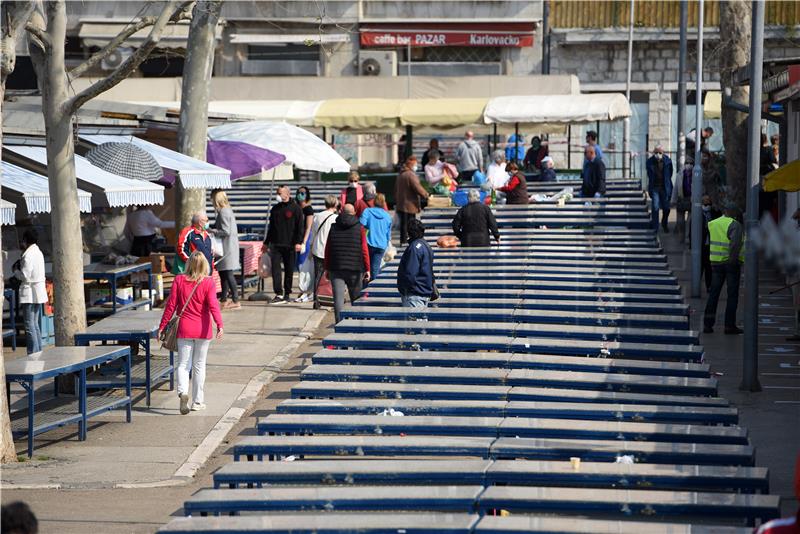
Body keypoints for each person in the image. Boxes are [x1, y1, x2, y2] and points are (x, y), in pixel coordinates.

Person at [159, 251, 223, 415]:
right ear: (205, 265)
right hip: (203, 329)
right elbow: (214, 305)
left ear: (188, 264)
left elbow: (171, 306)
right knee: (199, 366)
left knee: (183, 364)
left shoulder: (179, 280)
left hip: (184, 328)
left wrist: (162, 326)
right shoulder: (209, 283)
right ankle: (197, 402)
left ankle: (183, 392)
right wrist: (219, 324)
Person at [324, 204, 370, 323]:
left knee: (338, 300)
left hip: (336, 267)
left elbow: (328, 248)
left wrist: (327, 268)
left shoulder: (333, 227)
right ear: (354, 213)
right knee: (356, 299)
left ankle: (339, 325)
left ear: (341, 212)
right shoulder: (360, 228)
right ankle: (357, 325)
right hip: (355, 268)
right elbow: (364, 250)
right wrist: (367, 268)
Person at [703, 204, 744, 335]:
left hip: (715, 263)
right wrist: (734, 262)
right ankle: (729, 326)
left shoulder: (712, 223)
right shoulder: (735, 224)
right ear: (735, 213)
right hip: (730, 264)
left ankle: (707, 325)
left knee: (713, 294)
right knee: (732, 295)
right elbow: (735, 245)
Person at [263, 185, 304, 304]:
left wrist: (298, 242)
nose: (278, 195)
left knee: (289, 269)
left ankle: (287, 293)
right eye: (277, 192)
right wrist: (266, 243)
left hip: (290, 245)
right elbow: (271, 228)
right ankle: (278, 293)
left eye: (280, 193)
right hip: (276, 244)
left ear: (287, 194)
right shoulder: (275, 209)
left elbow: (299, 228)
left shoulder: (296, 209)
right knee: (276, 269)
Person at [13, 230, 47, 354]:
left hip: (29, 292)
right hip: (38, 291)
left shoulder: (28, 255)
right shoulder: (38, 252)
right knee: (35, 324)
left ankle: (32, 353)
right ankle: (38, 352)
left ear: (26, 240)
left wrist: (16, 272)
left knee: (29, 325)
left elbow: (25, 276)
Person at [210, 191, 241, 310]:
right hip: (228, 246)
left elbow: (226, 231)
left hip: (227, 247)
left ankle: (235, 299)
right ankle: (223, 298)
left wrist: (213, 231)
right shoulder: (227, 210)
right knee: (223, 273)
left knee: (228, 273)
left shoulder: (223, 212)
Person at [397, 218, 434, 310]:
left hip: (414, 294)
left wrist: (404, 288)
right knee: (420, 322)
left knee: (415, 323)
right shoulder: (425, 245)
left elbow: (410, 273)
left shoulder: (414, 248)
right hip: (422, 291)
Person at [310, 195, 339, 310]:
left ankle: (316, 298)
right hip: (330, 249)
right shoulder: (335, 218)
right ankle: (330, 296)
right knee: (331, 275)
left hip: (317, 248)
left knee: (318, 275)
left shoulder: (317, 216)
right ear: (335, 204)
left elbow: (313, 233)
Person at [394, 155, 429, 245]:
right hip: (410, 204)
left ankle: (403, 241)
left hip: (401, 204)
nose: (416, 166)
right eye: (415, 164)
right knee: (410, 225)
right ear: (411, 165)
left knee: (403, 225)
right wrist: (426, 195)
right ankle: (409, 242)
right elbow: (417, 187)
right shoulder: (410, 175)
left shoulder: (401, 174)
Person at [360, 193, 393, 284]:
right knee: (375, 269)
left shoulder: (367, 211)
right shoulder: (387, 216)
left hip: (368, 243)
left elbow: (361, 225)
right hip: (381, 245)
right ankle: (372, 289)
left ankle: (364, 291)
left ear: (374, 201)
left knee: (365, 268)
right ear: (383, 203)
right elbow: (388, 234)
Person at [645, 145, 674, 233]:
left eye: (660, 152)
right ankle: (655, 227)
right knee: (655, 207)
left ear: (663, 153)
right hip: (655, 188)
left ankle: (664, 223)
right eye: (656, 152)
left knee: (666, 208)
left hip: (665, 188)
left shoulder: (668, 161)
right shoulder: (650, 162)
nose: (658, 154)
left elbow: (670, 173)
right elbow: (649, 175)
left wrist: (668, 184)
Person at [294, 186, 315, 303]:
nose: (300, 195)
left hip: (304, 240)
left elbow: (308, 227)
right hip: (296, 240)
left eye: (302, 193)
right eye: (298, 193)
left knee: (303, 266)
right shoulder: (296, 208)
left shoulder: (308, 209)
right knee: (298, 266)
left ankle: (306, 291)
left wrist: (304, 242)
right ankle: (303, 289)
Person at [700, 195, 721, 292]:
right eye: (705, 200)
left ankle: (709, 286)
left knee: (708, 267)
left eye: (708, 200)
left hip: (711, 244)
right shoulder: (698, 213)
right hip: (700, 245)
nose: (707, 202)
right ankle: (697, 285)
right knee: (699, 267)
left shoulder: (715, 213)